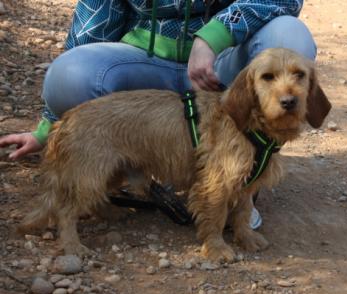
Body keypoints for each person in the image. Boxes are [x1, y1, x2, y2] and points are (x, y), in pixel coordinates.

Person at [0, 0, 316, 229]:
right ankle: (123, 168)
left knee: (291, 37)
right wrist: (47, 127)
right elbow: (89, 30)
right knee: (70, 72)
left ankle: (240, 181)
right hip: (142, 62)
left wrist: (213, 36)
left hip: (224, 63)